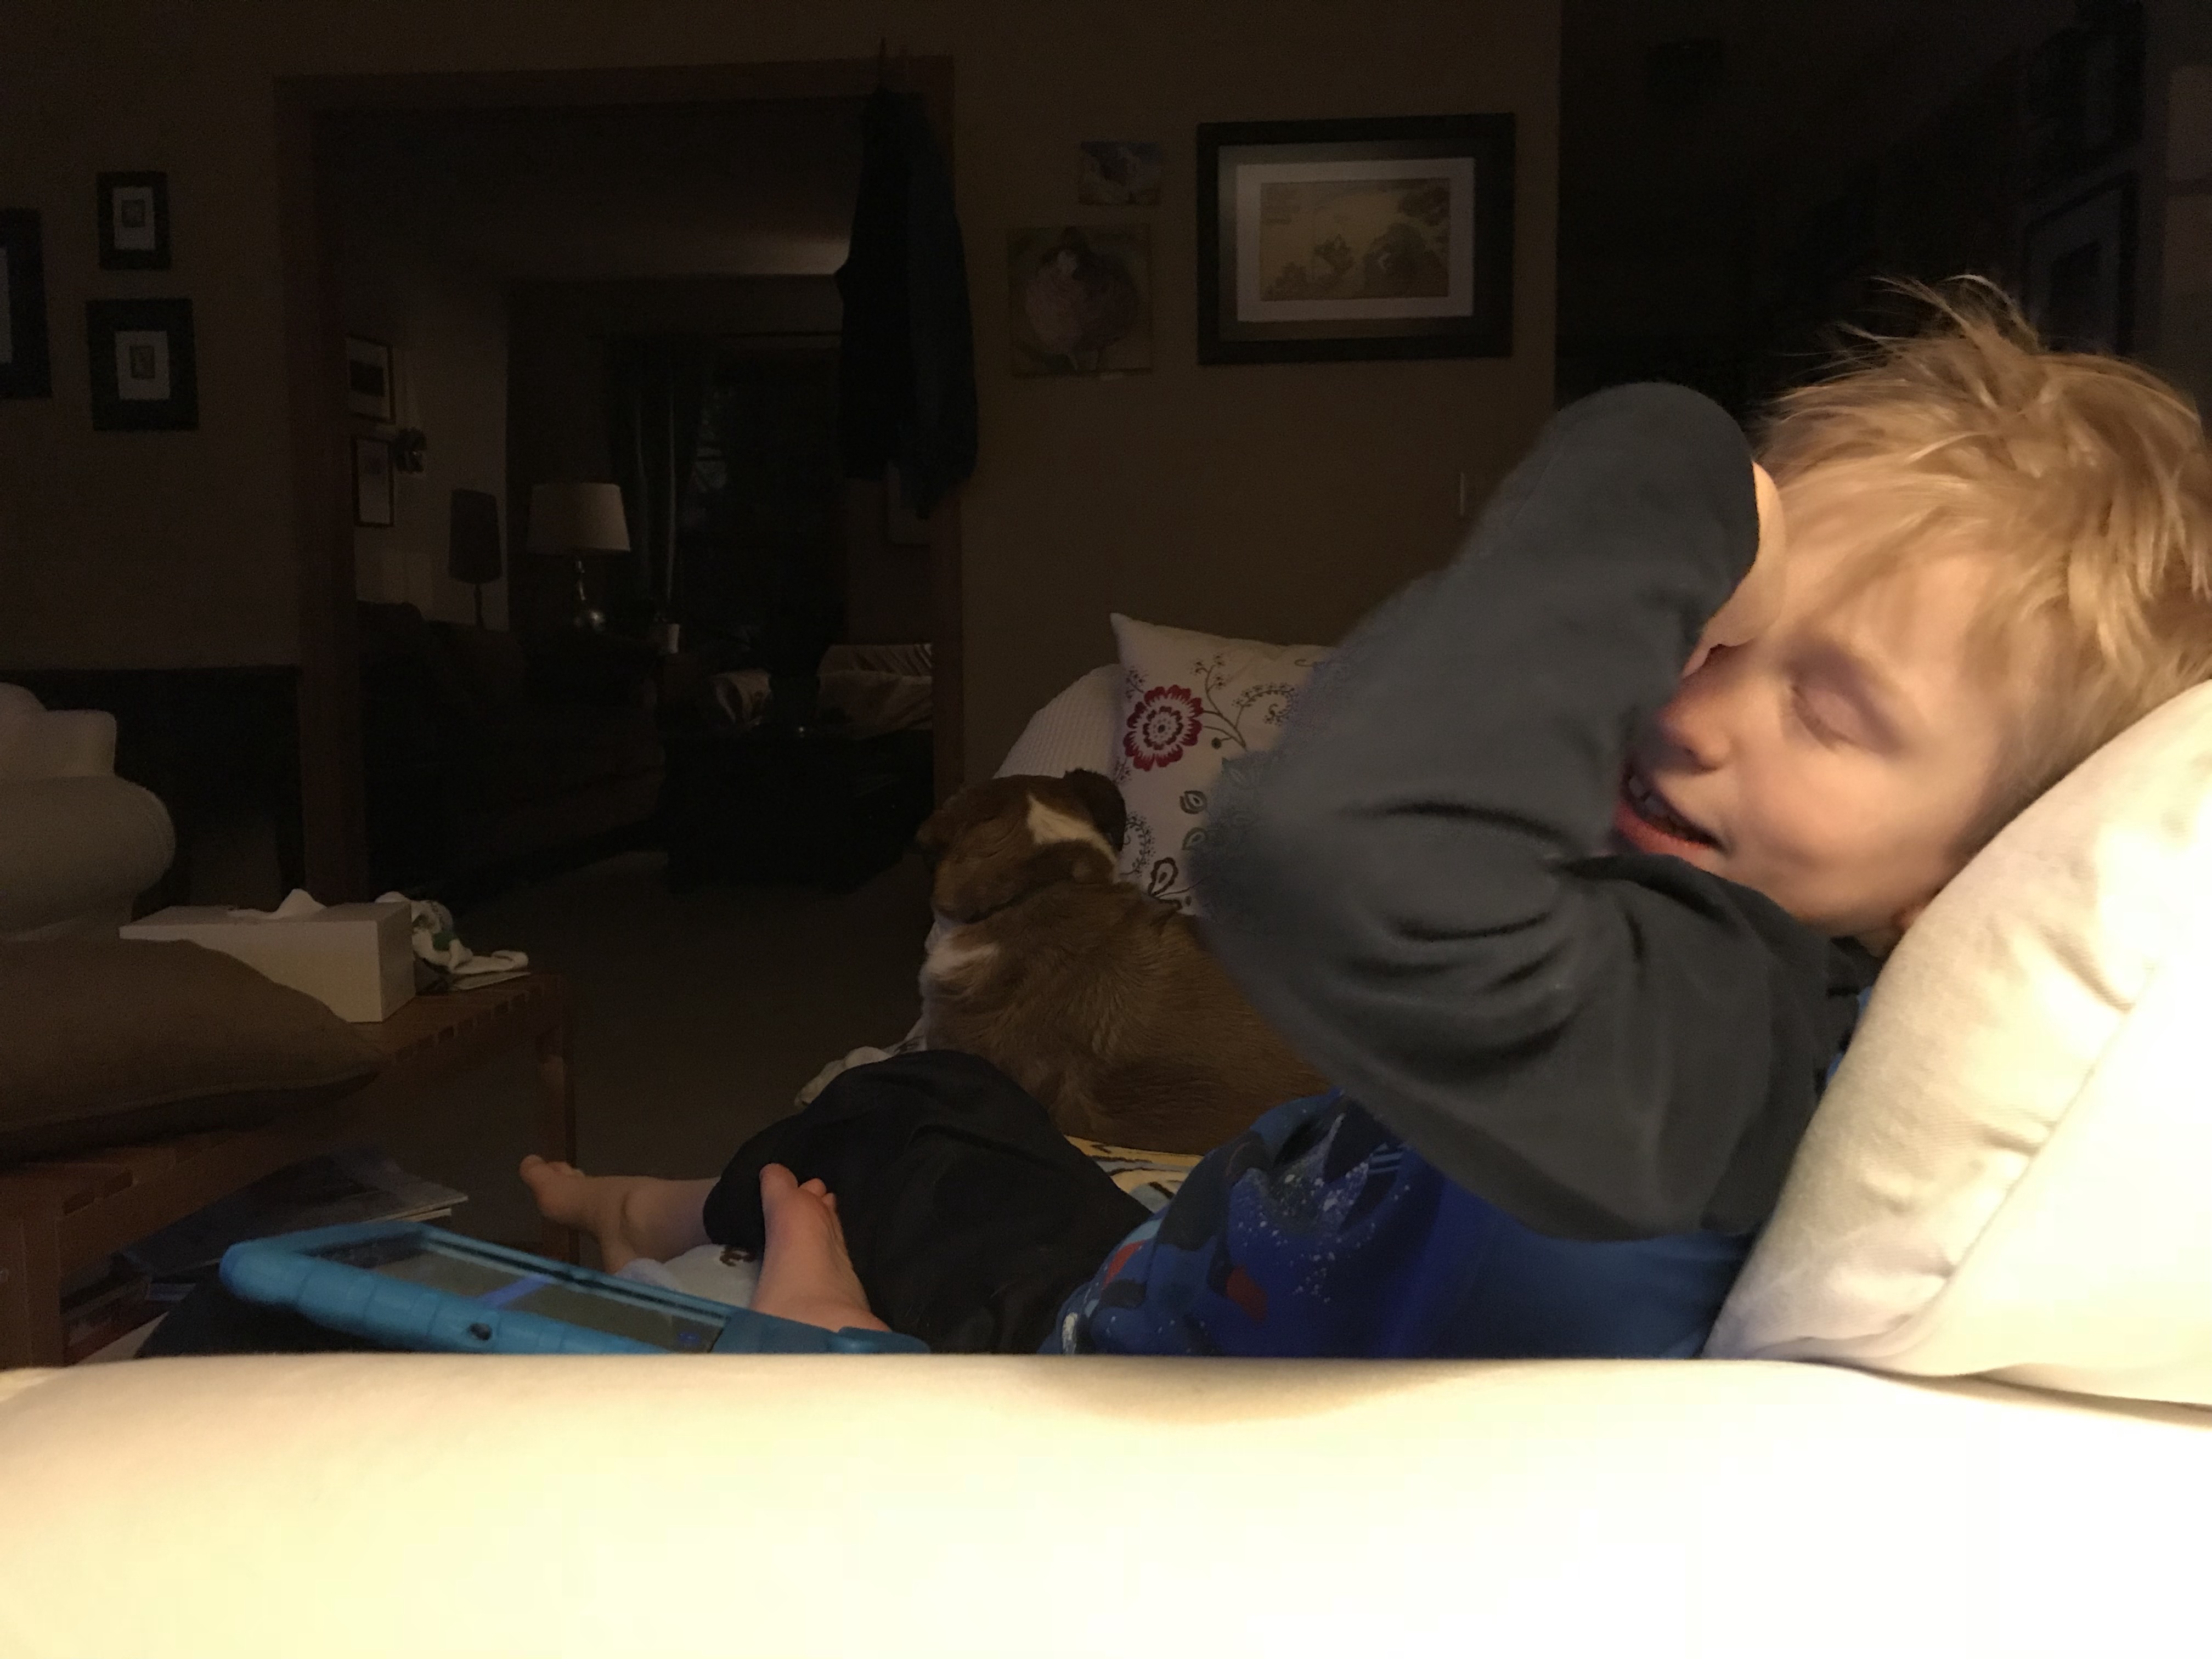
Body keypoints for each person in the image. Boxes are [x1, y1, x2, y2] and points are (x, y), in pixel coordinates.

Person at [142, 284, 2212, 1360]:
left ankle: (769, 1282)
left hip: (1112, 1361)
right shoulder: (1701, 963)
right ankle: (659, 1208)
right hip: (1198, 1258)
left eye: (1832, 710)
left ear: (1976, 868)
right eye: (1714, 633)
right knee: (927, 1101)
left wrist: (1667, 470)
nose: (1694, 710)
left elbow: (1317, 852)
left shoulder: (1728, 1043)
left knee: (898, 1156)